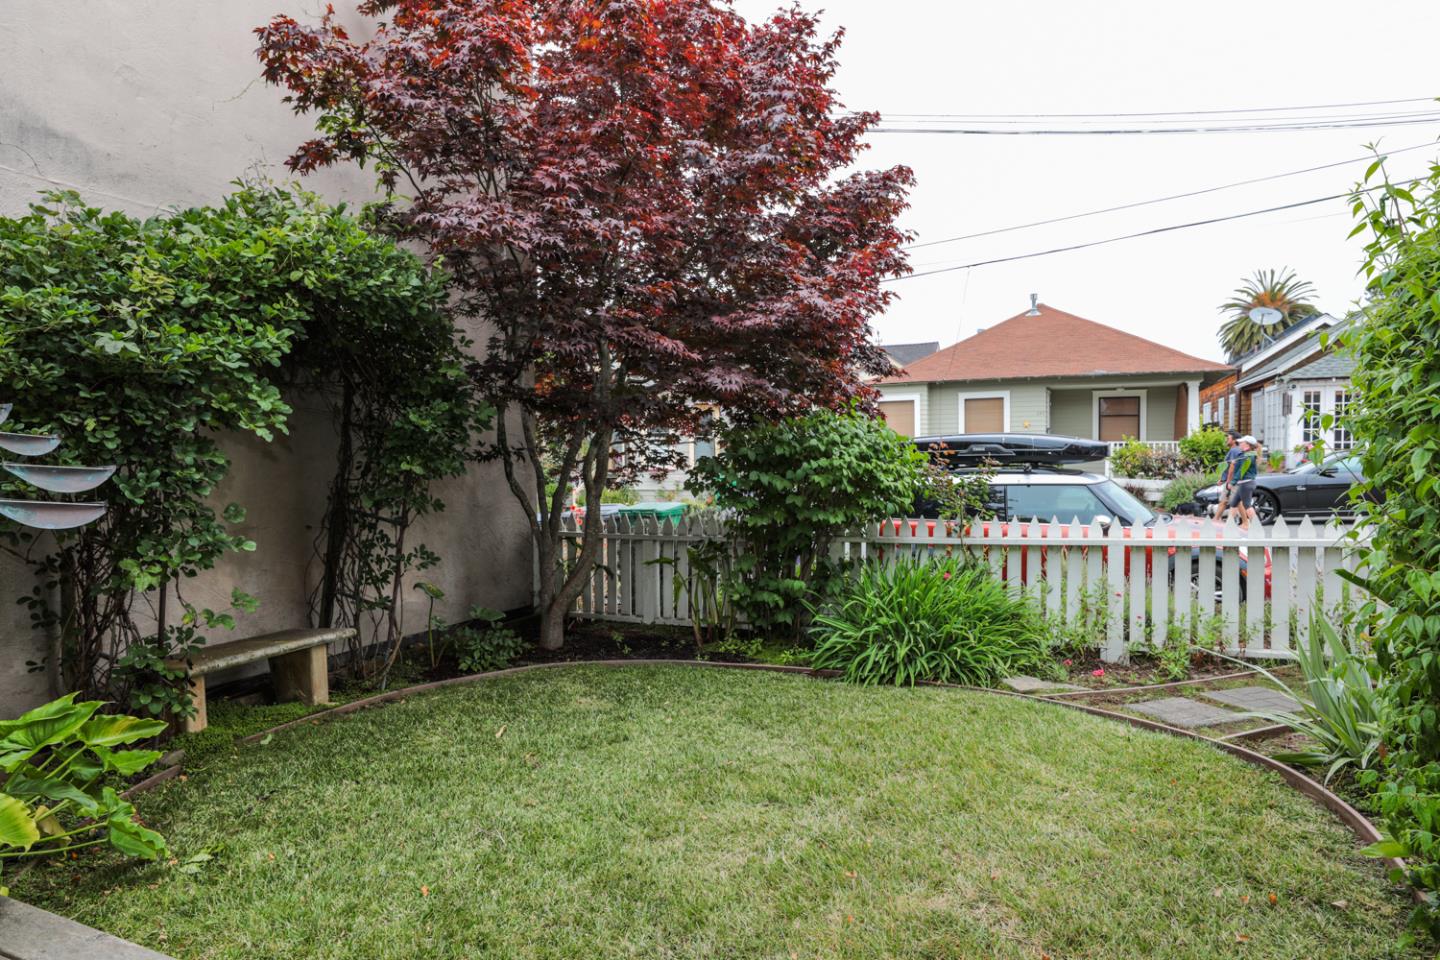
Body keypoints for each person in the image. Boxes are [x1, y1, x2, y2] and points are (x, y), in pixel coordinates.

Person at [1225, 435, 1259, 529]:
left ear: (1247, 445)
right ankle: (1229, 525)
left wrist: (1232, 482)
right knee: (1234, 503)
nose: (1239, 443)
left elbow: (1241, 471)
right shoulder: (1244, 455)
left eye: (1241, 442)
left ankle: (1256, 527)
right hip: (1244, 483)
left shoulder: (1249, 456)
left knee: (1247, 505)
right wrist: (1234, 462)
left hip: (1246, 483)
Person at [1213, 430, 1242, 520]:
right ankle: (1215, 520)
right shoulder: (1235, 450)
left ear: (1234, 440)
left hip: (1233, 481)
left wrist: (1228, 481)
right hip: (1231, 481)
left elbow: (1232, 467)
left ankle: (1247, 521)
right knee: (1223, 501)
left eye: (1228, 438)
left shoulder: (1234, 451)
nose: (1226, 439)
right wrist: (1223, 479)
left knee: (1236, 503)